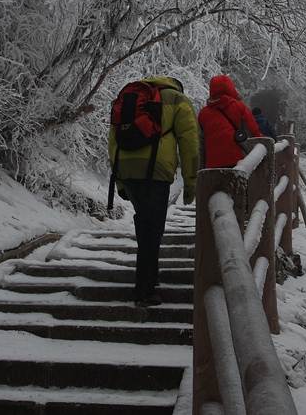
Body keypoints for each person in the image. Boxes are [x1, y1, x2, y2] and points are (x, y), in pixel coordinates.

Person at [108, 76, 199, 307]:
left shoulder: (129, 96)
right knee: (152, 227)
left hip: (127, 169)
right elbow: (190, 142)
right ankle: (145, 289)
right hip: (155, 171)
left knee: (145, 222)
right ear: (178, 86)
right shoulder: (178, 99)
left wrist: (119, 180)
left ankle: (150, 275)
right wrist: (191, 182)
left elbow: (113, 139)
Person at [197, 75, 263, 168]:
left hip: (213, 164)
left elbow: (200, 143)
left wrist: (202, 168)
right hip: (238, 162)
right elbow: (253, 132)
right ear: (231, 88)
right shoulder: (240, 108)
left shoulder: (204, 113)